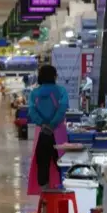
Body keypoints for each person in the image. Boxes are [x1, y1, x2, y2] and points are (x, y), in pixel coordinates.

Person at [27, 65, 69, 195]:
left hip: (41, 133)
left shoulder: (34, 93)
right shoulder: (61, 91)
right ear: (54, 76)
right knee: (61, 161)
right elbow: (62, 109)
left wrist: (43, 124)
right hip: (58, 132)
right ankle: (62, 188)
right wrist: (53, 124)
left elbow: (32, 111)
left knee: (42, 162)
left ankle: (44, 192)